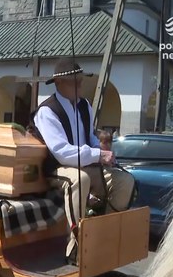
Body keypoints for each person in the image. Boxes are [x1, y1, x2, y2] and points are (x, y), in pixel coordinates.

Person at [28, 57, 134, 259]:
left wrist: (103, 156)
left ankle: (105, 238)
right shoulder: (47, 111)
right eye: (73, 81)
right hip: (55, 169)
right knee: (80, 179)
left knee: (124, 180)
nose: (79, 85)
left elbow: (92, 138)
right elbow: (61, 151)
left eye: (80, 80)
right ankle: (75, 247)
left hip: (84, 165)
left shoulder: (84, 105)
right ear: (58, 83)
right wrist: (96, 154)